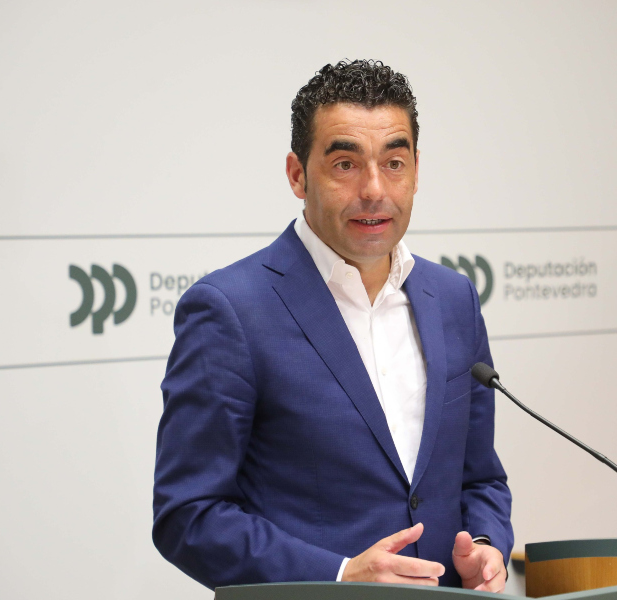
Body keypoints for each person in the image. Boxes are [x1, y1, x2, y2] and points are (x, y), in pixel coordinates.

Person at [152, 60, 512, 592]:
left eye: (394, 163)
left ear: (416, 171)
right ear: (297, 175)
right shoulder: (231, 310)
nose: (374, 189)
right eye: (346, 164)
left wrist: (483, 545)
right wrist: (340, 576)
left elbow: (480, 478)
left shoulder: (453, 299)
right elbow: (187, 514)